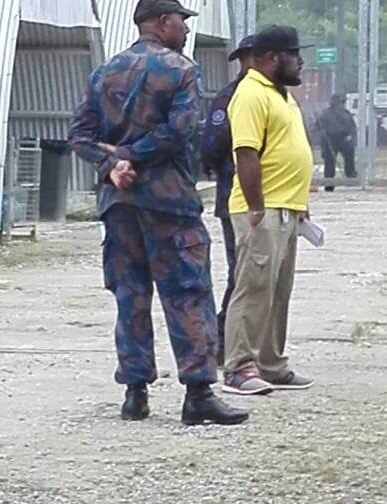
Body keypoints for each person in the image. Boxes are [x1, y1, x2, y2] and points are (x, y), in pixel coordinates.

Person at [68, 0, 248, 426]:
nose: (185, 30)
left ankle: (135, 393)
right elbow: (181, 129)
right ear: (161, 22)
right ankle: (198, 393)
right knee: (187, 292)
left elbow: (78, 136)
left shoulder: (105, 72)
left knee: (130, 295)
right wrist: (132, 155)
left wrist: (113, 164)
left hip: (120, 203)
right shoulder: (180, 69)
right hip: (169, 204)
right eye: (181, 22)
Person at [222, 25, 315, 395]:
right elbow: (246, 152)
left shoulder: (280, 95)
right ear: (273, 58)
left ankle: (271, 364)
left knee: (278, 291)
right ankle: (239, 368)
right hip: (260, 209)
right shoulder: (250, 94)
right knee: (253, 288)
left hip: (286, 207)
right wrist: (256, 206)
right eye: (294, 54)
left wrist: (299, 204)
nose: (300, 61)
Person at [199, 35, 255, 367]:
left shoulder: (273, 95)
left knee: (251, 274)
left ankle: (240, 342)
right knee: (241, 273)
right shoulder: (231, 96)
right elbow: (212, 144)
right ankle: (221, 341)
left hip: (261, 197)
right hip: (234, 195)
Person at [317, 93, 357, 192]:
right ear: (334, 103)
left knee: (349, 156)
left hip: (344, 137)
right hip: (330, 138)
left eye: (343, 102)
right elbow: (318, 125)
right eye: (341, 102)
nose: (342, 104)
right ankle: (329, 184)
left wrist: (350, 136)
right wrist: (322, 131)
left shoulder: (346, 113)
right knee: (329, 162)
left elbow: (352, 127)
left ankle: (351, 176)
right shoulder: (326, 113)